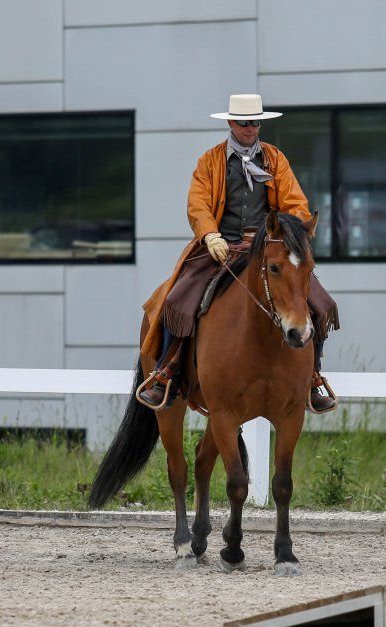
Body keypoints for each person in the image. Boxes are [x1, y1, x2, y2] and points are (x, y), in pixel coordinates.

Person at [137, 94, 339, 413]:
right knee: (177, 300)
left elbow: (295, 203)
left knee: (320, 303)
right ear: (231, 123)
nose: (250, 128)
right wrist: (210, 234)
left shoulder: (275, 159)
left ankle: (312, 377)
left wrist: (294, 229)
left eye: (255, 122)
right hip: (222, 247)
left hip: (267, 248)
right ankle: (166, 371)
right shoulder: (210, 161)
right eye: (244, 122)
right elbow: (198, 204)